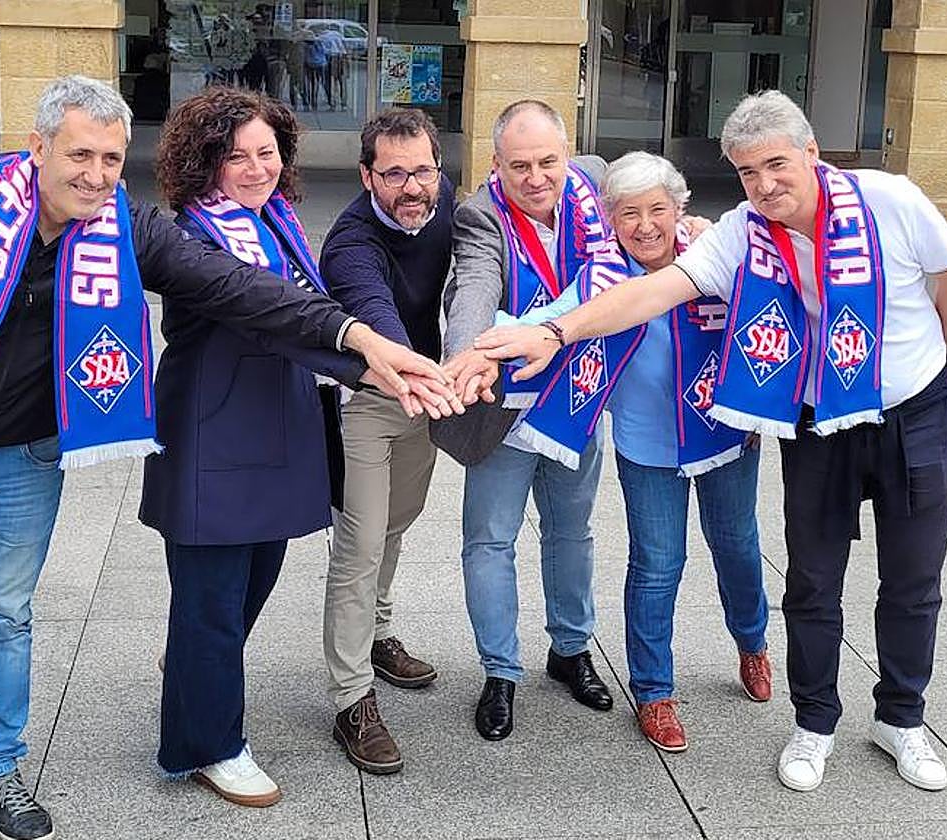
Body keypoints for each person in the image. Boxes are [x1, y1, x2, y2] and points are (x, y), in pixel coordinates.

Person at [0, 75, 454, 840]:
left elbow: (243, 290)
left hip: (19, 455)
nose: (96, 174)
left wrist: (358, 340)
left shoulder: (131, 229)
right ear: (38, 146)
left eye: (113, 158)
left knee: (6, 620)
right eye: (80, 154)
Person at [475, 91, 947, 791]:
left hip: (889, 415)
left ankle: (901, 718)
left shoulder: (887, 200)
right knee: (801, 580)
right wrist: (551, 330)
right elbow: (650, 293)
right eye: (747, 171)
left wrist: (944, 359)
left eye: (777, 164)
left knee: (906, 579)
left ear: (810, 154)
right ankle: (805, 720)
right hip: (799, 425)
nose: (765, 183)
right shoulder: (740, 235)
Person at [138, 84, 377, 808]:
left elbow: (313, 305)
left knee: (250, 585)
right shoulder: (186, 236)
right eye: (234, 156)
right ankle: (209, 744)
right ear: (201, 162)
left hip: (277, 426)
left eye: (266, 153)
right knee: (213, 598)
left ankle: (194, 672)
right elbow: (270, 312)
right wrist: (371, 361)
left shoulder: (274, 223)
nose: (254, 169)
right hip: (214, 431)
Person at [490, 151, 770, 752]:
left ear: (680, 210)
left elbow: (771, 318)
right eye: (629, 214)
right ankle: (654, 691)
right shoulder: (603, 280)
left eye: (658, 210)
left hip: (727, 435)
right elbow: (549, 321)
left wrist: (764, 406)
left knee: (739, 548)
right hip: (647, 448)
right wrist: (480, 347)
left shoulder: (716, 256)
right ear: (611, 221)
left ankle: (752, 640)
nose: (645, 226)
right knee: (657, 565)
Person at [440, 99, 616, 742]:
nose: (537, 178)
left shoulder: (597, 184)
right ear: (497, 166)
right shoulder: (482, 214)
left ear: (568, 155)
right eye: (520, 166)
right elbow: (475, 289)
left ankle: (570, 649)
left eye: (548, 161)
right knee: (489, 539)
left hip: (579, 399)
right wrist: (465, 357)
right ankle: (500, 670)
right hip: (507, 409)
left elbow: (656, 212)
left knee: (572, 533)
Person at [320, 108, 453, 774]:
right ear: (367, 175)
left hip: (425, 396)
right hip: (373, 397)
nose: (411, 187)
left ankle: (376, 632)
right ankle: (351, 700)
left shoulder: (441, 196)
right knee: (361, 542)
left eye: (422, 170)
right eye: (393, 173)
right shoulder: (350, 243)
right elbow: (374, 317)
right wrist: (424, 375)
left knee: (398, 524)